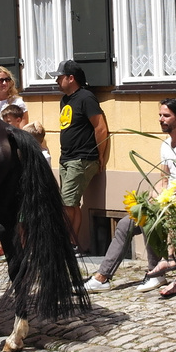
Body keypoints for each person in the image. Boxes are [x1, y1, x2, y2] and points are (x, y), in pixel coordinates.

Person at [85, 99, 176, 296]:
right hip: (167, 199)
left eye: (166, 116)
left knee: (148, 219)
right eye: (160, 115)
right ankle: (103, 277)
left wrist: (168, 198)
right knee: (125, 224)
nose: (161, 120)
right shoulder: (165, 144)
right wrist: (153, 196)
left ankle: (155, 273)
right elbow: (163, 179)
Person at [55, 60, 108, 250]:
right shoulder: (65, 100)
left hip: (82, 158)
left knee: (66, 204)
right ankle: (73, 244)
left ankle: (66, 244)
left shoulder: (86, 98)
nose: (56, 81)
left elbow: (100, 127)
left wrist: (100, 155)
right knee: (71, 203)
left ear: (71, 78)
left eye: (60, 77)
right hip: (66, 158)